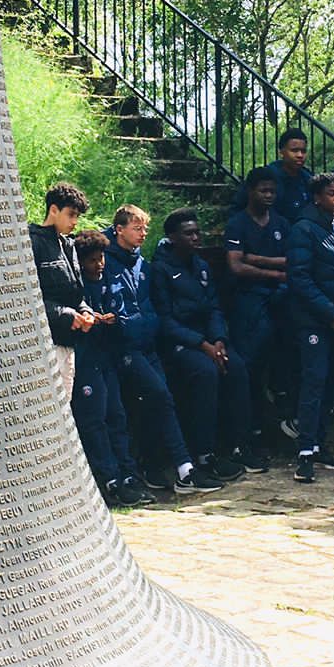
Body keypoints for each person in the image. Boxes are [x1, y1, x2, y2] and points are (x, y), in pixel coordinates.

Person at [103, 206, 204, 496]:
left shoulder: (142, 265)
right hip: (124, 348)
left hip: (148, 345)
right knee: (159, 395)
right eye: (137, 228)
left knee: (160, 400)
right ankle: (184, 467)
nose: (142, 234)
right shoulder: (107, 262)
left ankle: (164, 466)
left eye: (145, 229)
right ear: (119, 229)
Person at [150, 209, 256, 484]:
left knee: (238, 368)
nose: (196, 237)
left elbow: (214, 308)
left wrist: (219, 339)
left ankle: (238, 445)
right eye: (188, 233)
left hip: (209, 339)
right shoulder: (161, 269)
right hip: (179, 342)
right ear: (173, 237)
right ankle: (203, 453)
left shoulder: (202, 267)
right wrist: (201, 344)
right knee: (205, 373)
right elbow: (165, 319)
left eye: (197, 232)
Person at [288, 173, 334, 482]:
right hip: (314, 321)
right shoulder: (303, 230)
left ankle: (320, 442)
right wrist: (331, 312)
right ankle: (305, 450)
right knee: (314, 381)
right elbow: (301, 279)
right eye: (331, 193)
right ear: (317, 197)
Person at [70, 233, 153, 505]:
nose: (100, 264)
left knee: (117, 416)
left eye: (102, 258)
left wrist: (115, 321)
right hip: (86, 363)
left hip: (107, 359)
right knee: (95, 421)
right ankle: (109, 480)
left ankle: (128, 474)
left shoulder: (107, 281)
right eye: (93, 260)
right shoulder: (77, 287)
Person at [223, 167, 290, 465]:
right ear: (250, 191)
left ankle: (271, 433)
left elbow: (294, 261)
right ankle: (244, 439)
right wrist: (275, 272)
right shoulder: (237, 224)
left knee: (276, 368)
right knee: (248, 371)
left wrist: (256, 260)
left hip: (278, 302)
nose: (268, 196)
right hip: (247, 305)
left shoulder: (282, 224)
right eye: (263, 190)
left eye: (272, 191)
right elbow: (235, 267)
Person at [29, 181, 94, 400]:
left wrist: (86, 312)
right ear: (53, 210)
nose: (75, 222)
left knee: (64, 406)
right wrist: (64, 314)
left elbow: (76, 293)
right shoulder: (33, 242)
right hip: (44, 345)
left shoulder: (68, 245)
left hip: (68, 343)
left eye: (78, 216)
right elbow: (26, 297)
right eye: (71, 215)